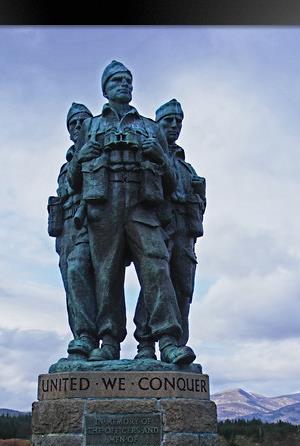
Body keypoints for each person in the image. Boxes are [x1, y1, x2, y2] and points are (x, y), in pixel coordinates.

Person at [68, 61, 196, 364]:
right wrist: (80, 159)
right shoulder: (92, 126)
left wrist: (160, 157)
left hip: (142, 208)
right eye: (116, 81)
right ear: (105, 88)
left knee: (156, 268)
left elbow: (172, 181)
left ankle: (167, 341)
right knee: (106, 275)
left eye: (128, 80)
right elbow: (75, 181)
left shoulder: (150, 127)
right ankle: (109, 341)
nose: (123, 84)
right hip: (104, 207)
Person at [133, 99, 206, 358]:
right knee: (155, 282)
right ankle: (146, 344)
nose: (174, 126)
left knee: (183, 289)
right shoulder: (148, 154)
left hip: (185, 233)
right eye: (168, 121)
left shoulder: (187, 168)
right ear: (157, 125)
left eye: (178, 121)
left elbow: (200, 203)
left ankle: (176, 346)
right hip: (159, 227)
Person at [47, 102, 98, 359]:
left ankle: (95, 336)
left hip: (92, 223)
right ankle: (82, 339)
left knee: (85, 274)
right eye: (73, 123)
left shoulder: (97, 154)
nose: (78, 127)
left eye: (82, 122)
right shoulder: (66, 165)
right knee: (72, 285)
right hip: (66, 227)